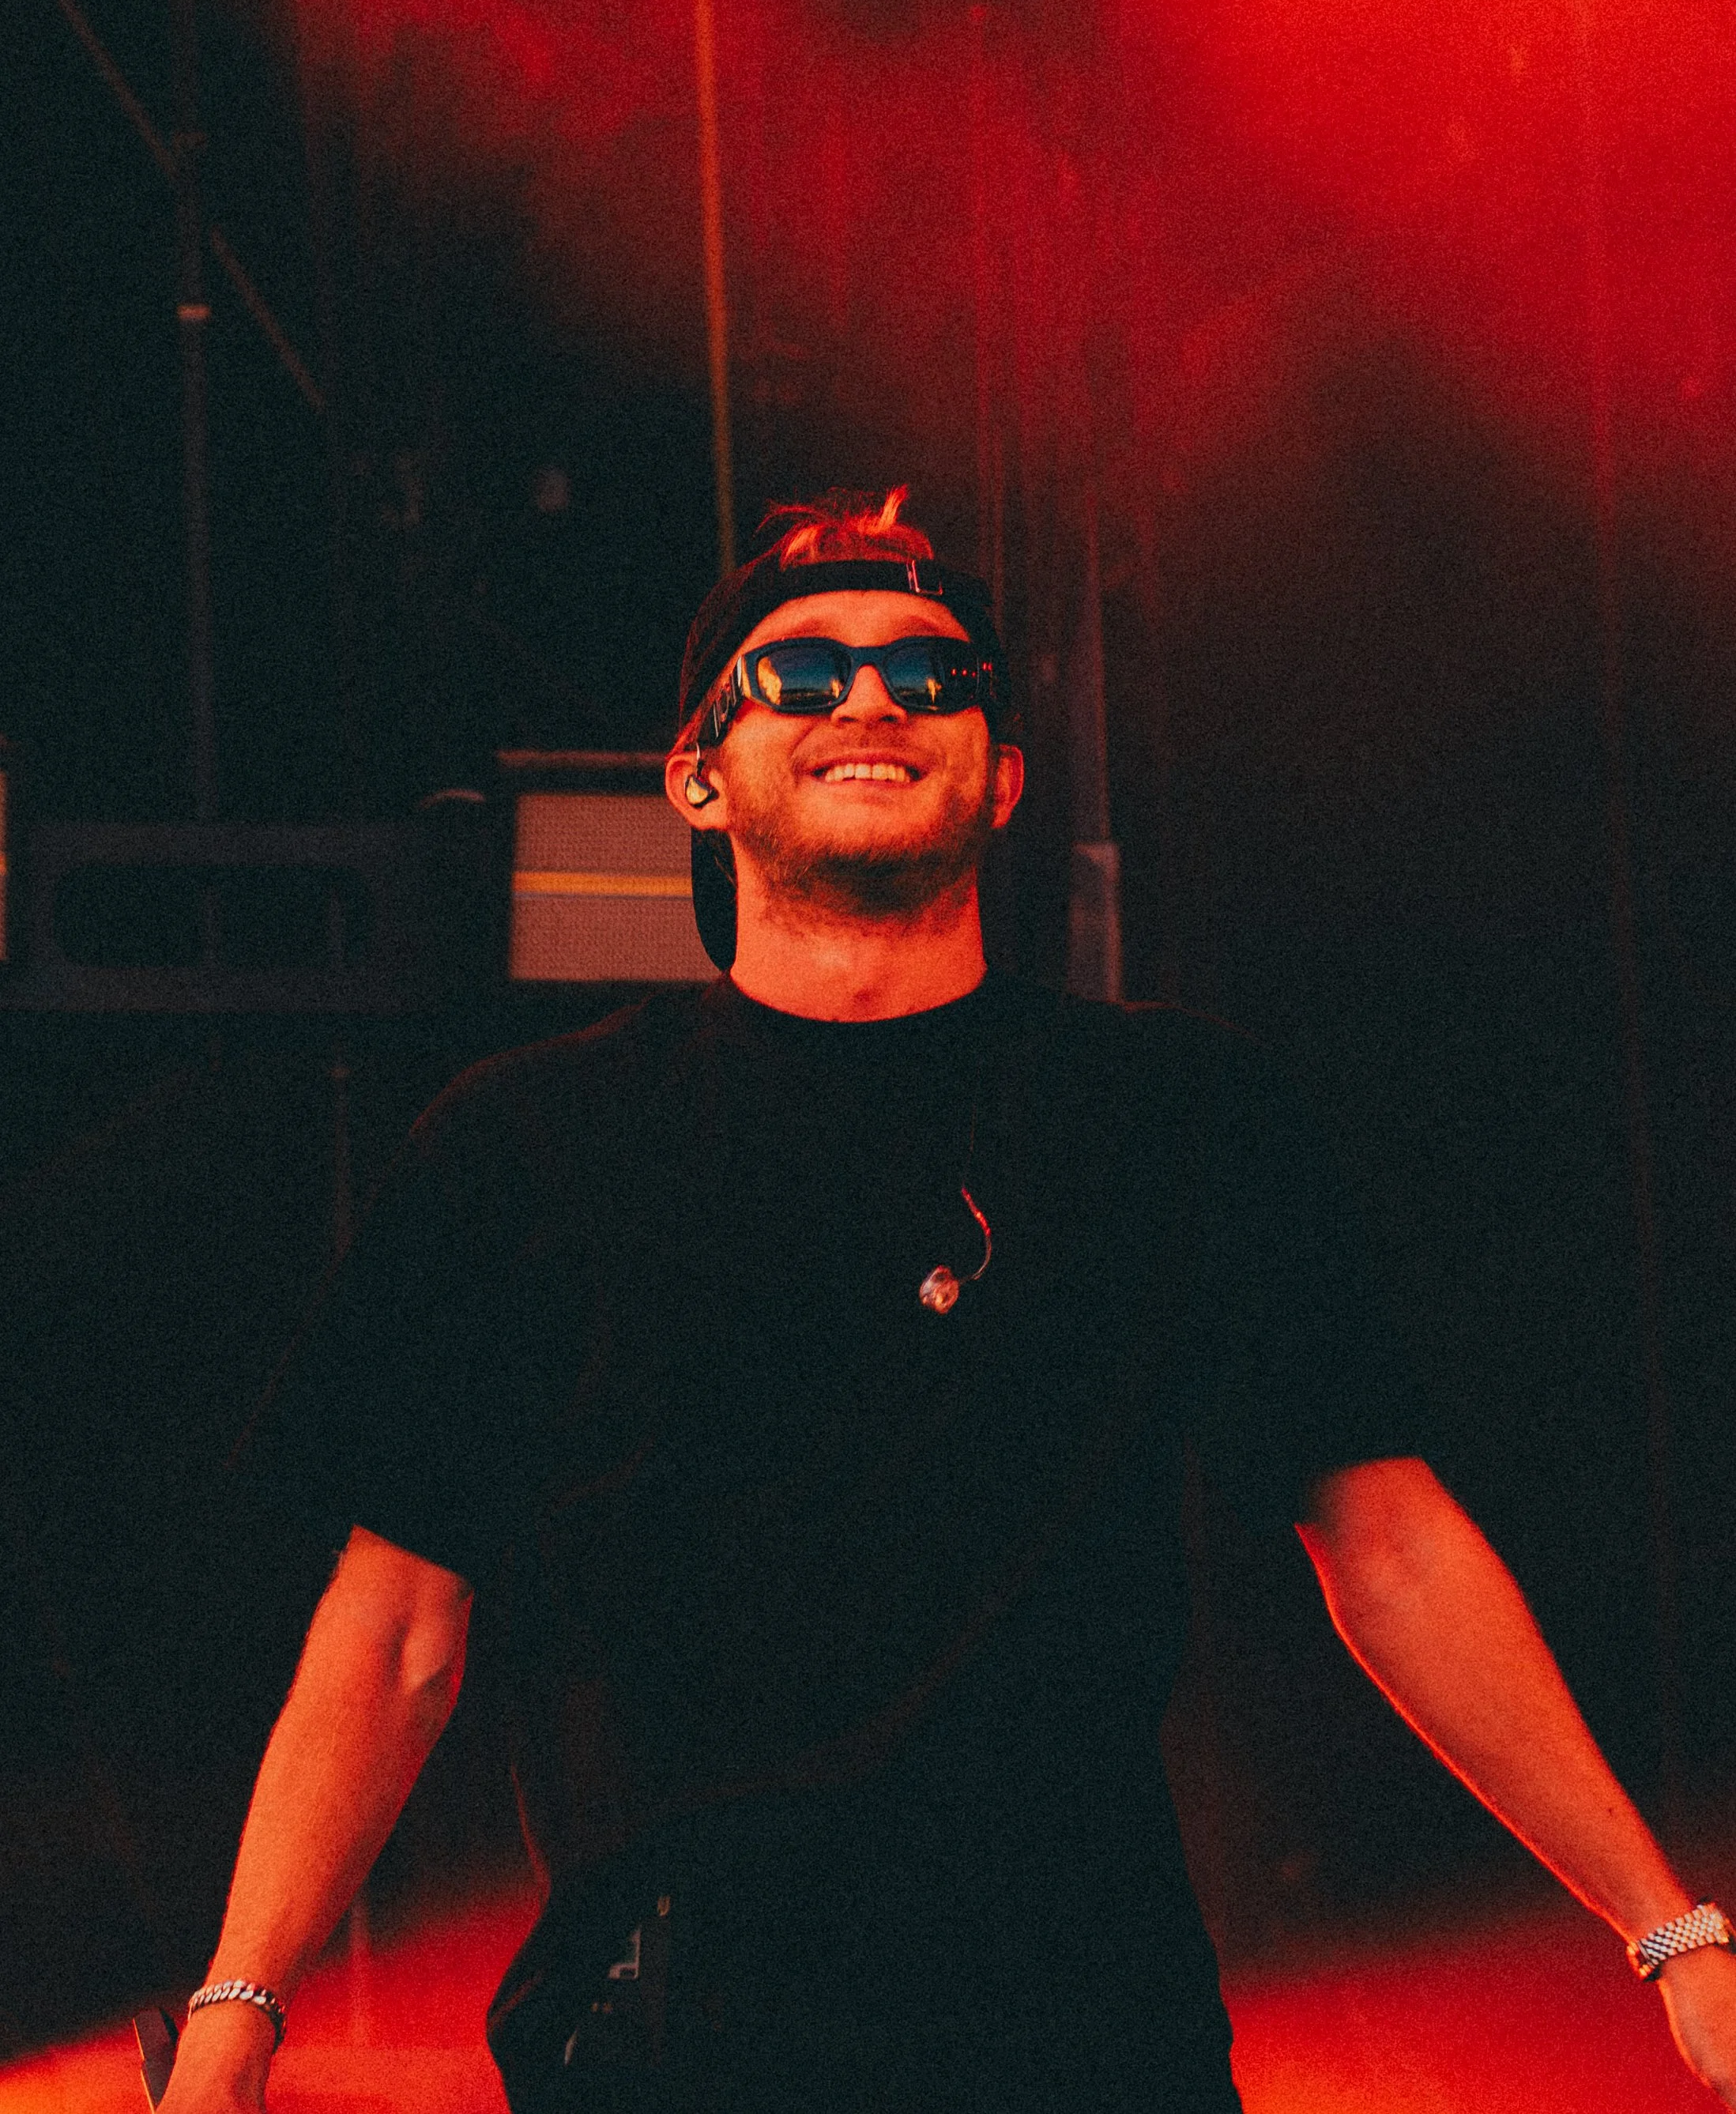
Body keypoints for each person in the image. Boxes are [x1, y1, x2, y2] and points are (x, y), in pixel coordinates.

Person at [163, 489, 1736, 2114]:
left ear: (1004, 779)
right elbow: (399, 1626)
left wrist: (1672, 1934)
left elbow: (1392, 1543)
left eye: (932, 679)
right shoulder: (522, 1147)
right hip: (665, 2042)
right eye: (800, 673)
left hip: (1082, 2032)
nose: (868, 701)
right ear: (696, 780)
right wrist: (238, 2006)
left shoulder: (1179, 1117)